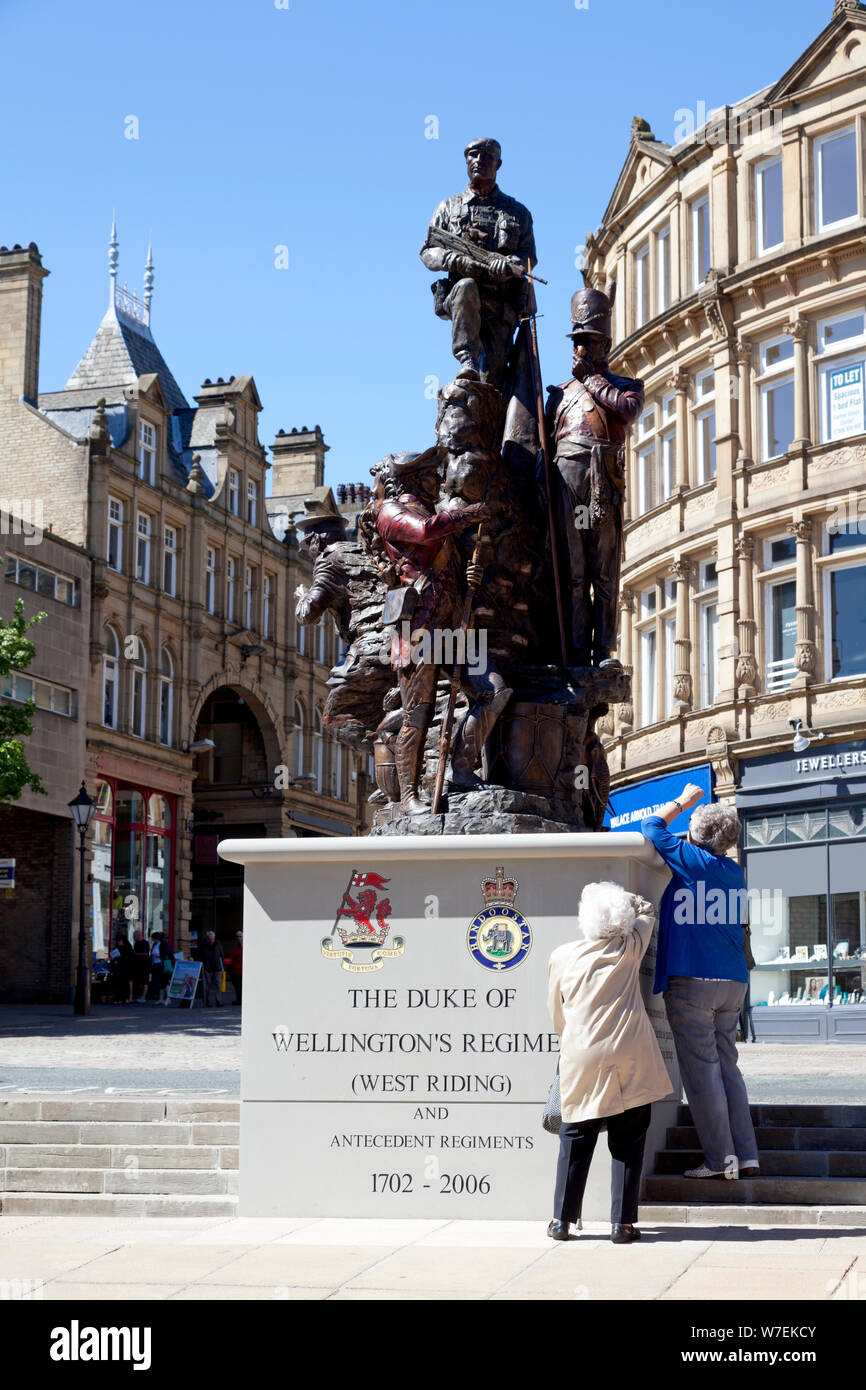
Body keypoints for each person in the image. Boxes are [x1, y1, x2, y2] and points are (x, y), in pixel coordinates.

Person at [642, 784, 760, 1180]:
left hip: (694, 978)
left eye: (691, 825)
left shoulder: (691, 859)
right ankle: (746, 1154)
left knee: (702, 1072)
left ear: (696, 835)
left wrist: (684, 802)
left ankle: (719, 1160)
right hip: (733, 982)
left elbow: (651, 826)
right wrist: (694, 825)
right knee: (728, 1067)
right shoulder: (733, 870)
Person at [546, 882, 674, 1244]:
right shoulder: (630, 946)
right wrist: (611, 894)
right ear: (622, 922)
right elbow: (647, 909)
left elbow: (557, 1015)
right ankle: (623, 1224)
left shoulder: (561, 956)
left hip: (582, 1053)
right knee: (629, 1138)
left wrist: (590, 891)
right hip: (630, 1053)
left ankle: (562, 1221)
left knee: (575, 1137)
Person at [373, 448, 488, 813]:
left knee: (492, 691)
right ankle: (409, 797)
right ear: (414, 478)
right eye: (430, 474)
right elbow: (423, 533)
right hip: (418, 630)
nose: (438, 480)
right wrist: (467, 514)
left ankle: (461, 769)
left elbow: (446, 567)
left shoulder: (434, 513)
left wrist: (469, 578)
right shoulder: (391, 513)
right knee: (417, 715)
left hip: (453, 625)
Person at [546, 287, 644, 667]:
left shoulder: (624, 386)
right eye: (577, 342)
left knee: (603, 572)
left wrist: (593, 381)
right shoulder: (559, 395)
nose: (581, 350)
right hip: (566, 480)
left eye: (589, 342)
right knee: (572, 571)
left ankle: (602, 649)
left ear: (604, 346)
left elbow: (627, 410)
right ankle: (572, 649)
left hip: (602, 480)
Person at [420, 137, 536, 386]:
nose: (480, 161)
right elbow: (428, 251)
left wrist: (508, 264)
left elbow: (529, 256)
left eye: (488, 157)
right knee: (466, 287)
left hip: (500, 306)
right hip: (463, 298)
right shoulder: (448, 208)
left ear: (498, 164)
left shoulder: (518, 212)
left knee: (492, 383)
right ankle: (466, 359)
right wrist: (453, 260)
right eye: (474, 155)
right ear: (466, 161)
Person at [197, 930, 225, 1008]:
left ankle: (218, 1001)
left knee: (218, 985)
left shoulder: (218, 944)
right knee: (206, 986)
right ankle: (206, 1002)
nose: (211, 940)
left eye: (212, 938)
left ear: (214, 938)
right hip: (207, 968)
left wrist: (222, 967)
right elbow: (199, 955)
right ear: (207, 938)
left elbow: (221, 955)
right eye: (209, 938)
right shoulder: (203, 945)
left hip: (217, 968)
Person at [109, 932, 134, 1005]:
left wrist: (119, 958)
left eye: (120, 941)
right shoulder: (118, 948)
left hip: (125, 969)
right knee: (117, 984)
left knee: (124, 985)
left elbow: (129, 958)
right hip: (118, 969)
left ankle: (125, 998)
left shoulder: (128, 948)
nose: (118, 942)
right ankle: (118, 998)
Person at [131, 930, 150, 1004]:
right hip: (137, 966)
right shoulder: (136, 944)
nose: (133, 937)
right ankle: (139, 996)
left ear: (139, 935)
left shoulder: (145, 943)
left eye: (134, 936)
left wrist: (135, 954)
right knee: (139, 982)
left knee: (144, 981)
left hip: (144, 965)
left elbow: (146, 954)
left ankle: (143, 997)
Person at [226, 931, 243, 1006]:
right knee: (237, 987)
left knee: (239, 987)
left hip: (239, 971)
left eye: (240, 936)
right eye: (237, 936)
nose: (238, 938)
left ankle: (239, 1001)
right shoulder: (235, 945)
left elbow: (233, 954)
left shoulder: (241, 947)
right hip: (235, 970)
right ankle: (239, 1000)